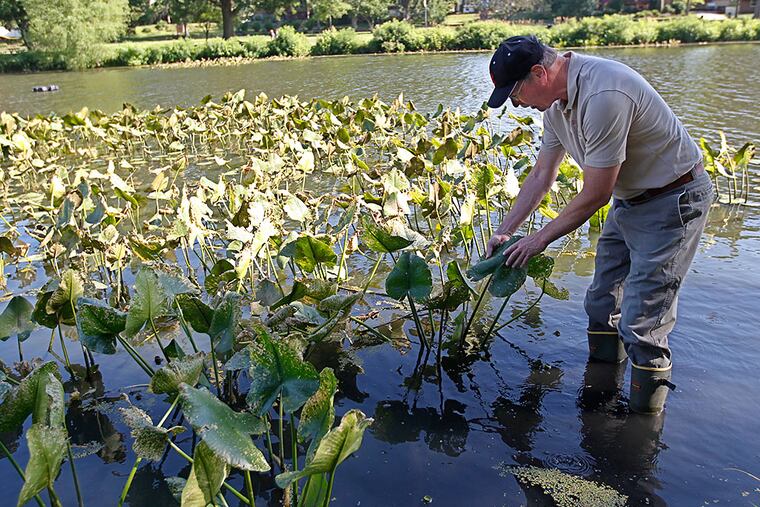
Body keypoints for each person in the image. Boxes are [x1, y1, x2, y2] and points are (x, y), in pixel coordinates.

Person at [484, 35, 714, 415]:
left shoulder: (603, 93)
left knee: (643, 322)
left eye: (516, 92)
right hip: (631, 198)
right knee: (601, 302)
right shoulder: (555, 106)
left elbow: (595, 195)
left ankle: (642, 428)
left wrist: (537, 240)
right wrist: (507, 230)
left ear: (539, 73)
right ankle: (601, 393)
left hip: (673, 200)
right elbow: (542, 173)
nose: (516, 103)